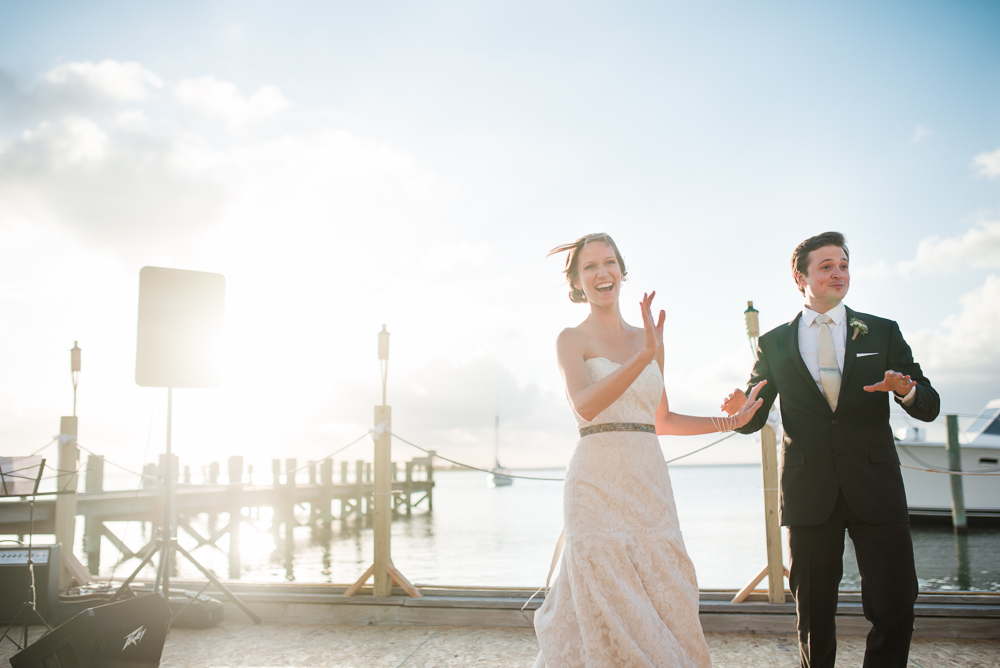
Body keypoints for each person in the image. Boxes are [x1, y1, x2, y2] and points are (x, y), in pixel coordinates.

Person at [533, 232, 765, 668]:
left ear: (622, 271)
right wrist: (643, 356)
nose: (602, 272)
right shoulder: (571, 338)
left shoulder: (649, 338)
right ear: (577, 282)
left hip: (648, 480)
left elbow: (662, 421)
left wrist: (731, 423)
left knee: (664, 587)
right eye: (590, 266)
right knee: (602, 591)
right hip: (594, 481)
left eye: (610, 262)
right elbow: (585, 406)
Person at [722, 231, 939, 668]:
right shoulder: (774, 343)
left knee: (895, 606)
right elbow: (752, 419)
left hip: (875, 485)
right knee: (814, 615)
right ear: (800, 277)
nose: (838, 273)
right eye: (826, 266)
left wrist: (907, 390)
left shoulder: (882, 331)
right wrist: (738, 412)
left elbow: (929, 407)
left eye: (843, 265)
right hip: (808, 490)